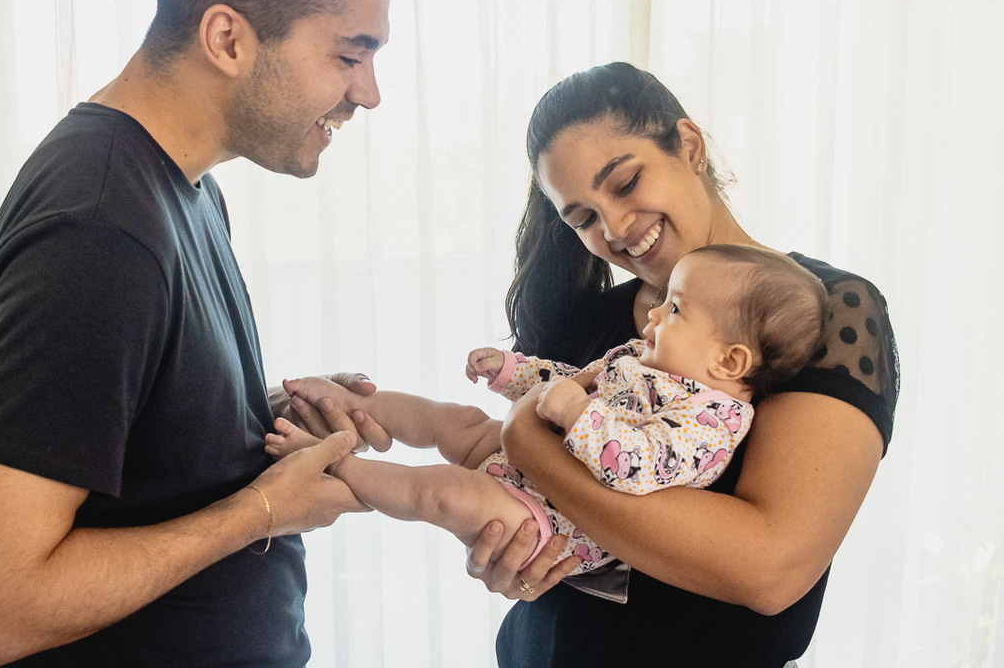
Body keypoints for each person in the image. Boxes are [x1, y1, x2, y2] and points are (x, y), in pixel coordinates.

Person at [0, 0, 403, 667]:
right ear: (228, 38)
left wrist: (259, 415)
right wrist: (261, 511)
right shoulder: (99, 229)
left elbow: (122, 437)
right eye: (350, 55)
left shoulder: (182, 187)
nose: (368, 94)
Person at [455, 62, 898, 667]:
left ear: (688, 147)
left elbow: (770, 569)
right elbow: (535, 513)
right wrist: (512, 552)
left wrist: (528, 439)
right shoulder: (593, 324)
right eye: (582, 217)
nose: (612, 227)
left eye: (626, 181)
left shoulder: (829, 312)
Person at [267, 244, 827, 583]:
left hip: (555, 524)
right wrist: (511, 372)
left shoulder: (714, 422)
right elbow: (566, 381)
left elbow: (635, 465)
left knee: (445, 493)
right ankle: (354, 402)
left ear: (729, 360)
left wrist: (581, 413)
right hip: (530, 466)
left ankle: (331, 465)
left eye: (675, 308)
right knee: (458, 418)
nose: (654, 313)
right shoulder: (642, 356)